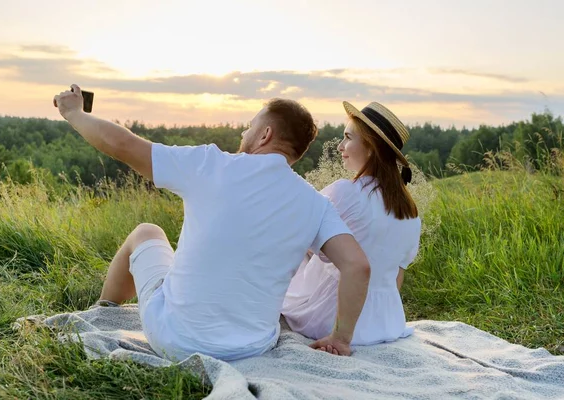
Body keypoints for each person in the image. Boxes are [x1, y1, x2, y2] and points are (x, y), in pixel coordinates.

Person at [53, 85, 371, 361]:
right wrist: (340, 339)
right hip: (252, 348)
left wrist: (75, 114)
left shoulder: (212, 164)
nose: (243, 134)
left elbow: (122, 145)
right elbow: (357, 265)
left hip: (176, 340)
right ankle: (108, 310)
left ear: (265, 134)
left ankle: (104, 311)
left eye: (249, 127)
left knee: (147, 232)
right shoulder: (315, 203)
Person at [282, 101, 421, 346]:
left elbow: (299, 239)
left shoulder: (346, 192)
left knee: (295, 246)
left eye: (347, 138)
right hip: (387, 323)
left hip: (332, 317)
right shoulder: (410, 210)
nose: (340, 146)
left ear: (370, 147)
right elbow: (397, 276)